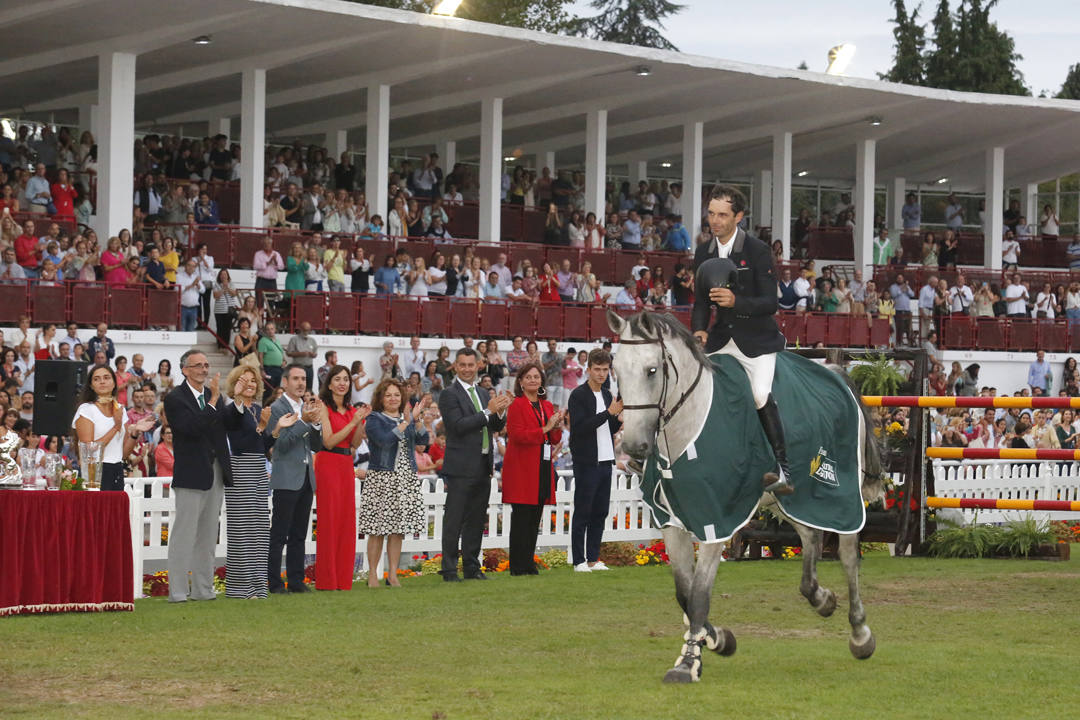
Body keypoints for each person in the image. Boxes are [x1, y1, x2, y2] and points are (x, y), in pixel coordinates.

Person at [691, 185, 793, 496]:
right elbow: (699, 303)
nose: (715, 221)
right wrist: (699, 330)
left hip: (757, 339)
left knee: (759, 394)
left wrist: (736, 302)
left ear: (739, 216)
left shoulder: (758, 251)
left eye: (722, 215)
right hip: (721, 337)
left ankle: (783, 468)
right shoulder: (702, 252)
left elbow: (770, 303)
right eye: (711, 214)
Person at [222, 364, 296, 599]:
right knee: (242, 530)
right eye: (244, 381)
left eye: (253, 381)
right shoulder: (232, 409)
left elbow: (260, 446)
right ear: (235, 385)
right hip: (240, 468)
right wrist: (264, 426)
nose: (250, 384)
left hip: (257, 469)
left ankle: (257, 586)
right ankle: (239, 588)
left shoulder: (256, 408)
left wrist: (275, 429)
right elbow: (240, 442)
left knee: (259, 530)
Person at [164, 350, 231, 604]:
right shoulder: (175, 399)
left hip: (215, 469)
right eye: (198, 365)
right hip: (191, 473)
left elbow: (223, 427)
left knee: (207, 533)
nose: (204, 370)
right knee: (184, 533)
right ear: (185, 370)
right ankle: (178, 591)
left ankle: (203, 589)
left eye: (206, 365)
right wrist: (214, 401)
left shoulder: (213, 397)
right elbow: (191, 428)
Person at [438, 348, 511, 581]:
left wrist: (501, 411)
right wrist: (489, 411)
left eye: (471, 365)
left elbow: (495, 426)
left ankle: (471, 567)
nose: (467, 369)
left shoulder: (482, 392)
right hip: (461, 466)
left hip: (483, 464)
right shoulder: (449, 394)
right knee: (454, 520)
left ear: (478, 365)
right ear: (456, 367)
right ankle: (449, 569)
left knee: (477, 520)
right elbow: (457, 426)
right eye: (463, 365)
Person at [360, 379, 431, 588]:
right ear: (381, 398)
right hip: (382, 478)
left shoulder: (406, 418)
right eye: (388, 395)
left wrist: (416, 421)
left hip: (405, 477)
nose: (393, 399)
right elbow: (383, 441)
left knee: (398, 529)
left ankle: (392, 574)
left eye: (397, 395)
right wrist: (405, 422)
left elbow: (423, 441)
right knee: (377, 529)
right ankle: (373, 574)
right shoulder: (374, 419)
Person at [265, 365, 323, 594]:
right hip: (286, 476)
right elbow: (280, 444)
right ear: (285, 382)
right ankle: (275, 582)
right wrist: (303, 422)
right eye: (296, 379)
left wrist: (315, 424)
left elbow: (317, 446)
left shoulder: (307, 407)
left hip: (306, 476)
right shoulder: (277, 408)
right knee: (279, 533)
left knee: (300, 533)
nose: (301, 383)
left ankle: (297, 581)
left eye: (304, 379)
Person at [502, 363, 564, 575]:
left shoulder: (546, 406)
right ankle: (517, 565)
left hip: (541, 467)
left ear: (541, 381)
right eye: (528, 377)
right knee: (521, 517)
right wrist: (545, 428)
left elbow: (553, 438)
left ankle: (528, 562)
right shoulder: (517, 405)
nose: (532, 380)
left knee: (534, 516)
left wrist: (556, 426)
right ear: (520, 381)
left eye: (536, 377)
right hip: (522, 467)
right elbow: (517, 435)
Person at [314, 365, 369, 590]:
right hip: (328, 464)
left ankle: (343, 579)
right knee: (329, 521)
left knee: (346, 522)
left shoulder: (348, 411)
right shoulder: (323, 407)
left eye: (346, 379)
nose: (342, 383)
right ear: (329, 383)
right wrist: (354, 423)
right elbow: (328, 441)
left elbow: (355, 444)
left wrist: (360, 421)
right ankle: (328, 580)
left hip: (346, 464)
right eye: (337, 379)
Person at [567, 349, 622, 572]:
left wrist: (618, 420)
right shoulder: (578, 395)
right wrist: (609, 413)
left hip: (606, 459)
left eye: (605, 369)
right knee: (583, 510)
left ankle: (593, 558)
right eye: (597, 369)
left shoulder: (608, 394)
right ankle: (579, 560)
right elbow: (580, 428)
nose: (601, 374)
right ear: (588, 369)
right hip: (586, 460)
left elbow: (608, 428)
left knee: (600, 511)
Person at [73, 365, 154, 491]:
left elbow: (123, 453)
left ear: (113, 383)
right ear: (91, 385)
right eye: (97, 379)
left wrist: (135, 433)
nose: (102, 381)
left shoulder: (119, 409)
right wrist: (116, 427)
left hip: (117, 469)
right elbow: (89, 451)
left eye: (106, 377)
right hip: (95, 472)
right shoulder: (86, 410)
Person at [285, 321, 319, 391]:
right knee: (298, 387)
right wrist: (300, 354)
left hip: (309, 368)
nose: (306, 332)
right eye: (304, 330)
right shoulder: (294, 339)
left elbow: (315, 354)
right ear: (300, 329)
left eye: (308, 330)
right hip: (298, 368)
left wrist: (313, 355)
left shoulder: (312, 340)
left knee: (309, 389)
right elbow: (288, 353)